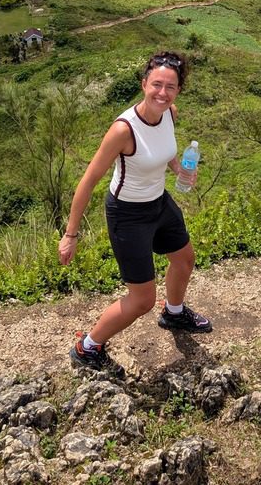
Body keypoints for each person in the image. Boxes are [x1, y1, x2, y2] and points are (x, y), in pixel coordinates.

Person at [58, 50, 211, 376]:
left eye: (170, 87)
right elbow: (89, 181)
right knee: (141, 299)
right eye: (156, 84)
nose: (162, 93)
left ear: (178, 92)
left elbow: (165, 151)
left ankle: (173, 312)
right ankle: (88, 346)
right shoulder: (123, 130)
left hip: (158, 201)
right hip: (128, 213)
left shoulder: (170, 113)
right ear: (144, 84)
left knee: (184, 258)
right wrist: (71, 235)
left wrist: (179, 169)